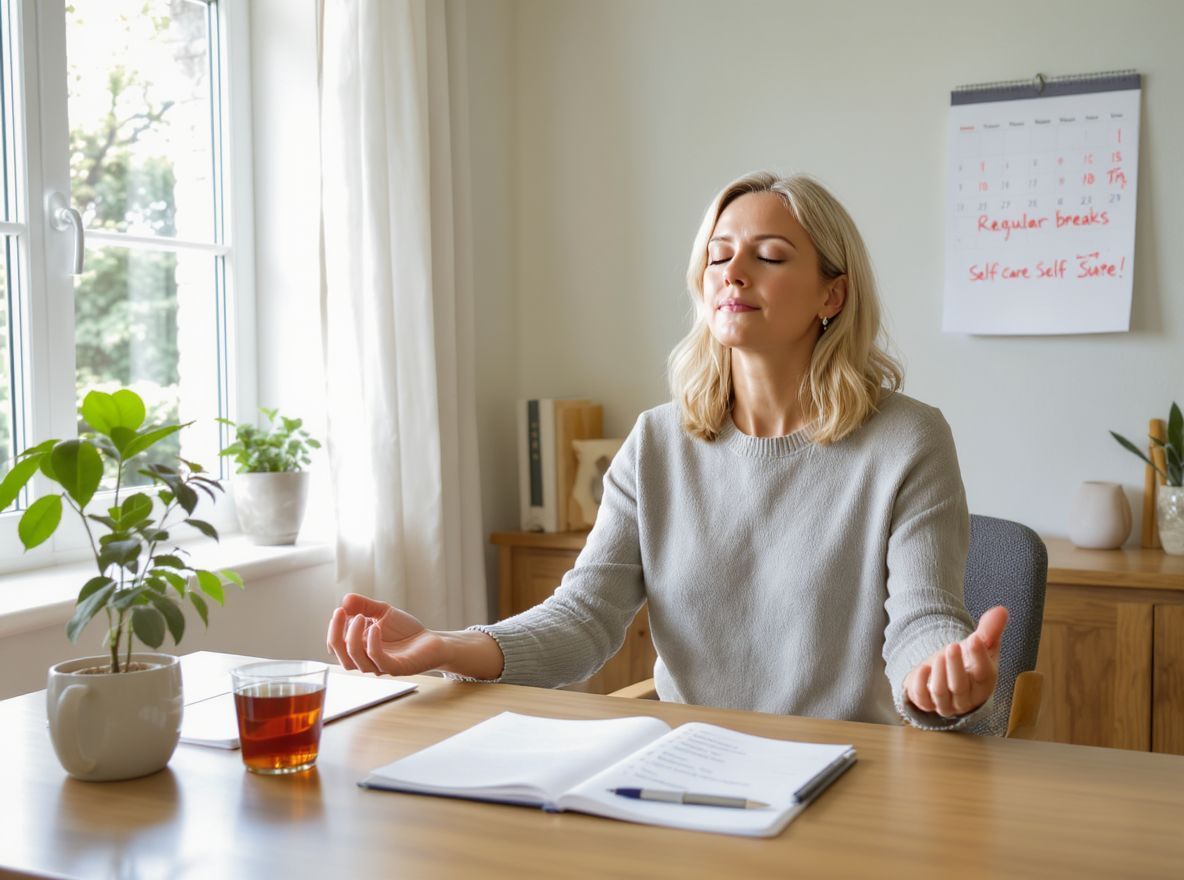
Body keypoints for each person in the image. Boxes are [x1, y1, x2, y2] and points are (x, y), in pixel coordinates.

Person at [327, 171, 1008, 730]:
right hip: (689, 775)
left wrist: (941, 674)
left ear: (833, 292)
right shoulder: (656, 443)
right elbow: (583, 619)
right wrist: (445, 647)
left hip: (846, 777)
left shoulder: (907, 440)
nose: (732, 272)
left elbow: (922, 619)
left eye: (769, 256)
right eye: (717, 256)